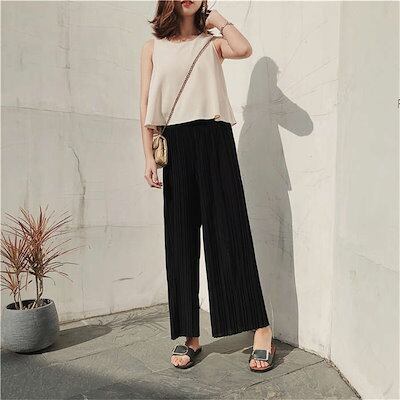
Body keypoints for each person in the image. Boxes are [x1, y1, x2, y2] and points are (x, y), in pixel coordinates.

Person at [139, 0, 275, 372]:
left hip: (215, 138)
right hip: (176, 143)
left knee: (229, 234)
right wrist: (148, 155)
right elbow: (146, 105)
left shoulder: (212, 43)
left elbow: (244, 49)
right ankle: (190, 335)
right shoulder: (152, 48)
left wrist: (220, 21)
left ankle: (260, 328)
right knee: (180, 240)